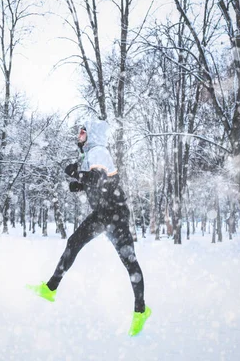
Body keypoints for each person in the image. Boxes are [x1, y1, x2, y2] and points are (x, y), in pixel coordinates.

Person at [27, 119, 151, 336]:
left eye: (82, 131)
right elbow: (98, 182)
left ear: (91, 134)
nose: (79, 134)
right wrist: (80, 183)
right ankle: (50, 288)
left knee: (129, 261)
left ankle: (141, 310)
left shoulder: (99, 151)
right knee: (74, 242)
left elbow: (99, 179)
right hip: (103, 214)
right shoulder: (91, 154)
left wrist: (76, 173)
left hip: (116, 213)